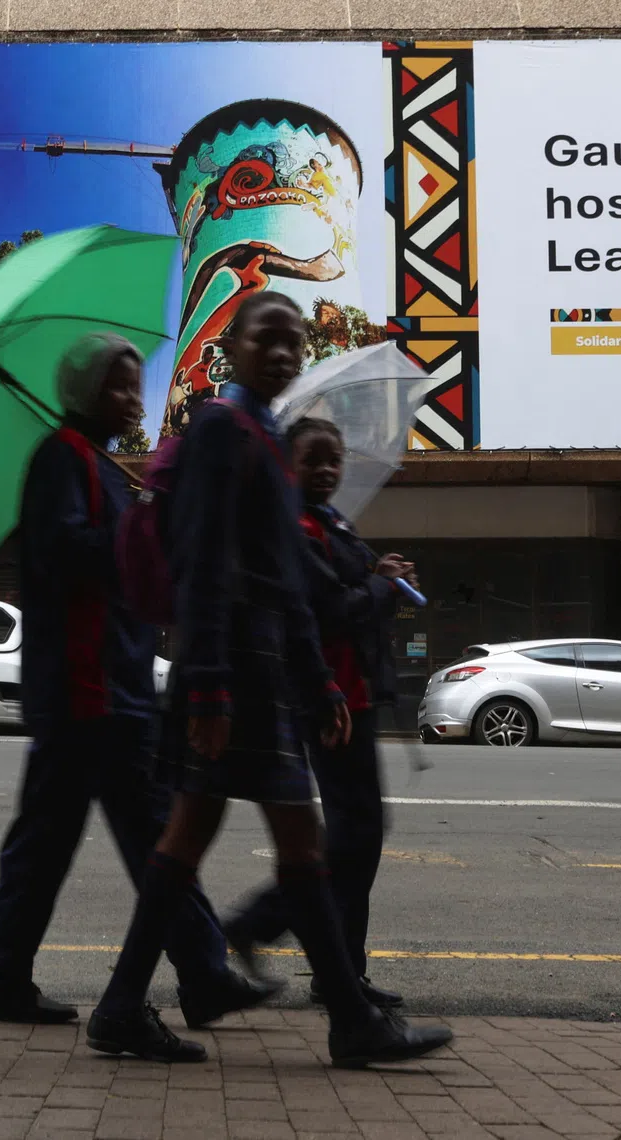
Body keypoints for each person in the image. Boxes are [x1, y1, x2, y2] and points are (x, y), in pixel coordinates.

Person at [86, 292, 453, 1067]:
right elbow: (207, 558)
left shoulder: (267, 435)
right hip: (232, 674)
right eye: (269, 339)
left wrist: (318, 684)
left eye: (295, 343)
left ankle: (122, 1007)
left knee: (192, 843)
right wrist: (213, 685)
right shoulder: (224, 427)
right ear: (233, 349)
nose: (285, 354)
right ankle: (349, 1018)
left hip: (255, 668)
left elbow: (285, 580)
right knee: (293, 844)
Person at [0, 332, 279, 1028]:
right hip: (88, 689)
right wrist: (136, 528)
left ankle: (7, 979)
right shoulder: (62, 459)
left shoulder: (101, 465)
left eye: (135, 385)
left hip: (113, 685)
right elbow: (64, 556)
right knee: (135, 838)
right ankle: (197, 975)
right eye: (116, 385)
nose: (131, 399)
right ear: (82, 392)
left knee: (96, 841)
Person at [224, 416, 412, 1011]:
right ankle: (267, 931)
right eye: (315, 459)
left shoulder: (331, 521)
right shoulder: (297, 527)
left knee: (358, 839)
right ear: (289, 465)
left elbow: (353, 592)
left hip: (354, 694)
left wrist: (382, 576)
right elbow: (331, 608)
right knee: (350, 839)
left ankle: (341, 973)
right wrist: (380, 589)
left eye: (335, 459)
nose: (328, 470)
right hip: (326, 700)